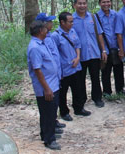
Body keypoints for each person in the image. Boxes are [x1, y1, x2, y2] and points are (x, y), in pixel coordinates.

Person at [27, 19, 61, 150]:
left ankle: (46, 133)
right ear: (41, 31)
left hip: (52, 83)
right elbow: (37, 70)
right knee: (48, 113)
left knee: (51, 112)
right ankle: (49, 139)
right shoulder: (34, 48)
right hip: (46, 87)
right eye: (46, 29)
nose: (48, 30)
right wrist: (46, 89)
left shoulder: (41, 43)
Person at [52, 12, 91, 122]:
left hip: (76, 66)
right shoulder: (55, 36)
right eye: (70, 22)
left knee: (77, 89)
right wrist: (59, 72)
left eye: (73, 21)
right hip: (64, 69)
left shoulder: (73, 31)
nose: (72, 24)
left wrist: (78, 57)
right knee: (63, 92)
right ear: (62, 22)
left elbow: (77, 45)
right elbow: (55, 54)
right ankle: (64, 112)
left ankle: (79, 108)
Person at [71, 0, 108, 108]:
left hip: (94, 53)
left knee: (95, 77)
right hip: (79, 55)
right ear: (74, 5)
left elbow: (99, 34)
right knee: (80, 79)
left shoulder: (92, 17)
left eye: (84, 3)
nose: (82, 6)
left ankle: (97, 98)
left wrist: (103, 50)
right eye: (79, 3)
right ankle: (81, 100)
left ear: (87, 4)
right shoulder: (71, 19)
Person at [38, 13, 64, 130]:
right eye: (49, 21)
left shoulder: (50, 36)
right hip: (48, 78)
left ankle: (53, 121)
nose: (51, 23)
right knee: (48, 104)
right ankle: (49, 127)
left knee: (55, 102)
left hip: (55, 75)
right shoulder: (41, 41)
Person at [95, 0, 125, 96]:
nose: (106, 4)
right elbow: (98, 34)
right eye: (103, 2)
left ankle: (120, 90)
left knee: (119, 70)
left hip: (116, 48)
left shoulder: (115, 14)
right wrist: (102, 50)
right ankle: (107, 92)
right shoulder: (96, 17)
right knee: (106, 72)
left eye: (108, 1)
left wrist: (121, 49)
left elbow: (119, 32)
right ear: (99, 3)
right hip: (105, 50)